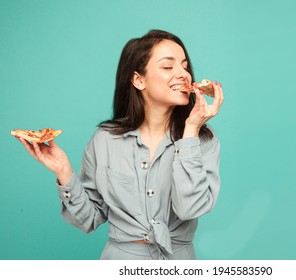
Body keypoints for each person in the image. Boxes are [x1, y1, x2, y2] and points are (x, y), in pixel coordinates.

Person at [16, 29, 224, 260]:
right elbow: (88, 220)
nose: (184, 74)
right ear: (138, 79)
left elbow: (190, 209)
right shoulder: (105, 140)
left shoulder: (202, 140)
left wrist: (191, 130)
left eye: (185, 66)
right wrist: (64, 172)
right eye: (168, 67)